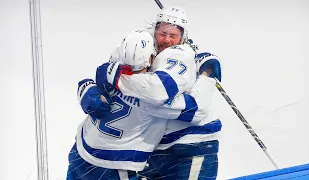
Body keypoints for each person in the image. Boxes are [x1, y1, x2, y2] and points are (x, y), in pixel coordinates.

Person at [67, 31, 218, 180]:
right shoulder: (151, 96)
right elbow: (197, 109)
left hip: (80, 153)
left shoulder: (111, 70)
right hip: (112, 166)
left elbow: (98, 78)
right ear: (151, 58)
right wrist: (207, 75)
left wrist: (86, 86)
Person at [94, 6, 222, 179]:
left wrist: (118, 80)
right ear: (154, 31)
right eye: (163, 34)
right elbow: (113, 66)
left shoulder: (180, 54)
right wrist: (93, 83)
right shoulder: (143, 45)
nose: (167, 40)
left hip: (192, 144)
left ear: (182, 38)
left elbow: (158, 92)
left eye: (173, 36)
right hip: (159, 148)